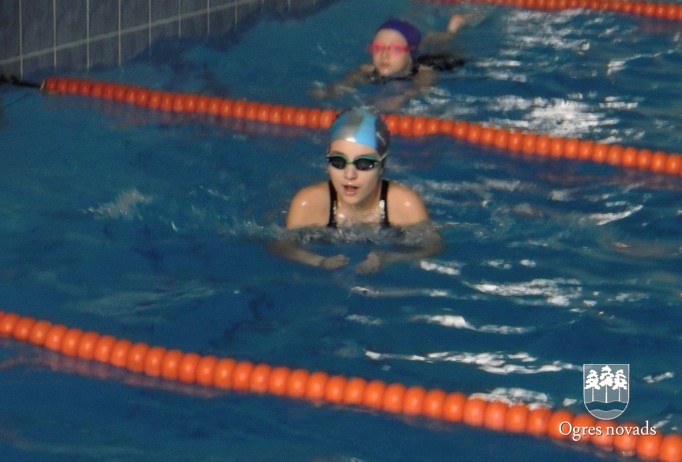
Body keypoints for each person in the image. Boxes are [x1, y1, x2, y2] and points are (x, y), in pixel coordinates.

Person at [270, 108, 444, 273]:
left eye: (364, 163)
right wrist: (319, 261)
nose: (349, 175)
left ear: (382, 167)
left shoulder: (404, 204)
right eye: (338, 161)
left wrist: (392, 258)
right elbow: (282, 247)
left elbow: (433, 247)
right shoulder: (309, 203)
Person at [311, 15, 467, 112]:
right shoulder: (367, 69)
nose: (384, 55)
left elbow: (420, 87)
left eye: (395, 49)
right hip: (412, 53)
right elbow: (347, 82)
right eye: (378, 48)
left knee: (443, 45)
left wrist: (400, 98)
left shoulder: (424, 72)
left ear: (409, 54)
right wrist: (332, 90)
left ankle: (451, 31)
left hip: (440, 59)